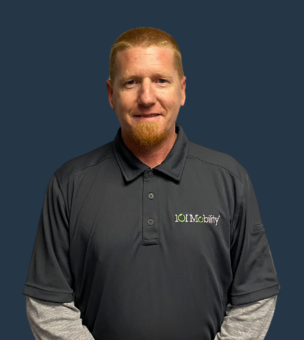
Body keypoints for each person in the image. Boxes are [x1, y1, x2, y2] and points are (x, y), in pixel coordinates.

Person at [23, 27, 280, 340]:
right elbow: (48, 302)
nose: (147, 97)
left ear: (182, 91)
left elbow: (255, 296)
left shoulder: (230, 178)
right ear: (110, 94)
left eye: (161, 80)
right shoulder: (68, 183)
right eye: (131, 82)